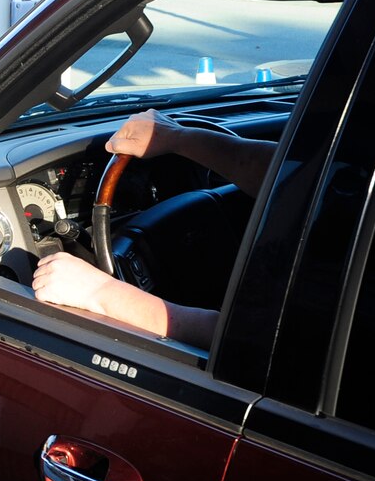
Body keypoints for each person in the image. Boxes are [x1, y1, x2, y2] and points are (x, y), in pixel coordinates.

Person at [31, 109, 276, 350]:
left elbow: (257, 340)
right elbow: (291, 172)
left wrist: (101, 292)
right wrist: (177, 137)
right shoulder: (312, 175)